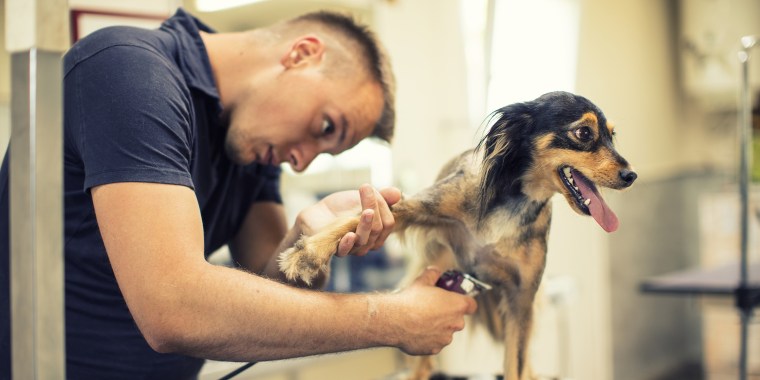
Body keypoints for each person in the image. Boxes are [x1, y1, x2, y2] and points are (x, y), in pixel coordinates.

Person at [0, 7, 477, 379]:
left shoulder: (249, 147)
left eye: (325, 152)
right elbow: (176, 309)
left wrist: (306, 239)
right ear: (302, 54)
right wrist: (391, 319)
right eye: (324, 127)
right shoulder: (130, 72)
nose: (303, 160)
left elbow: (271, 294)